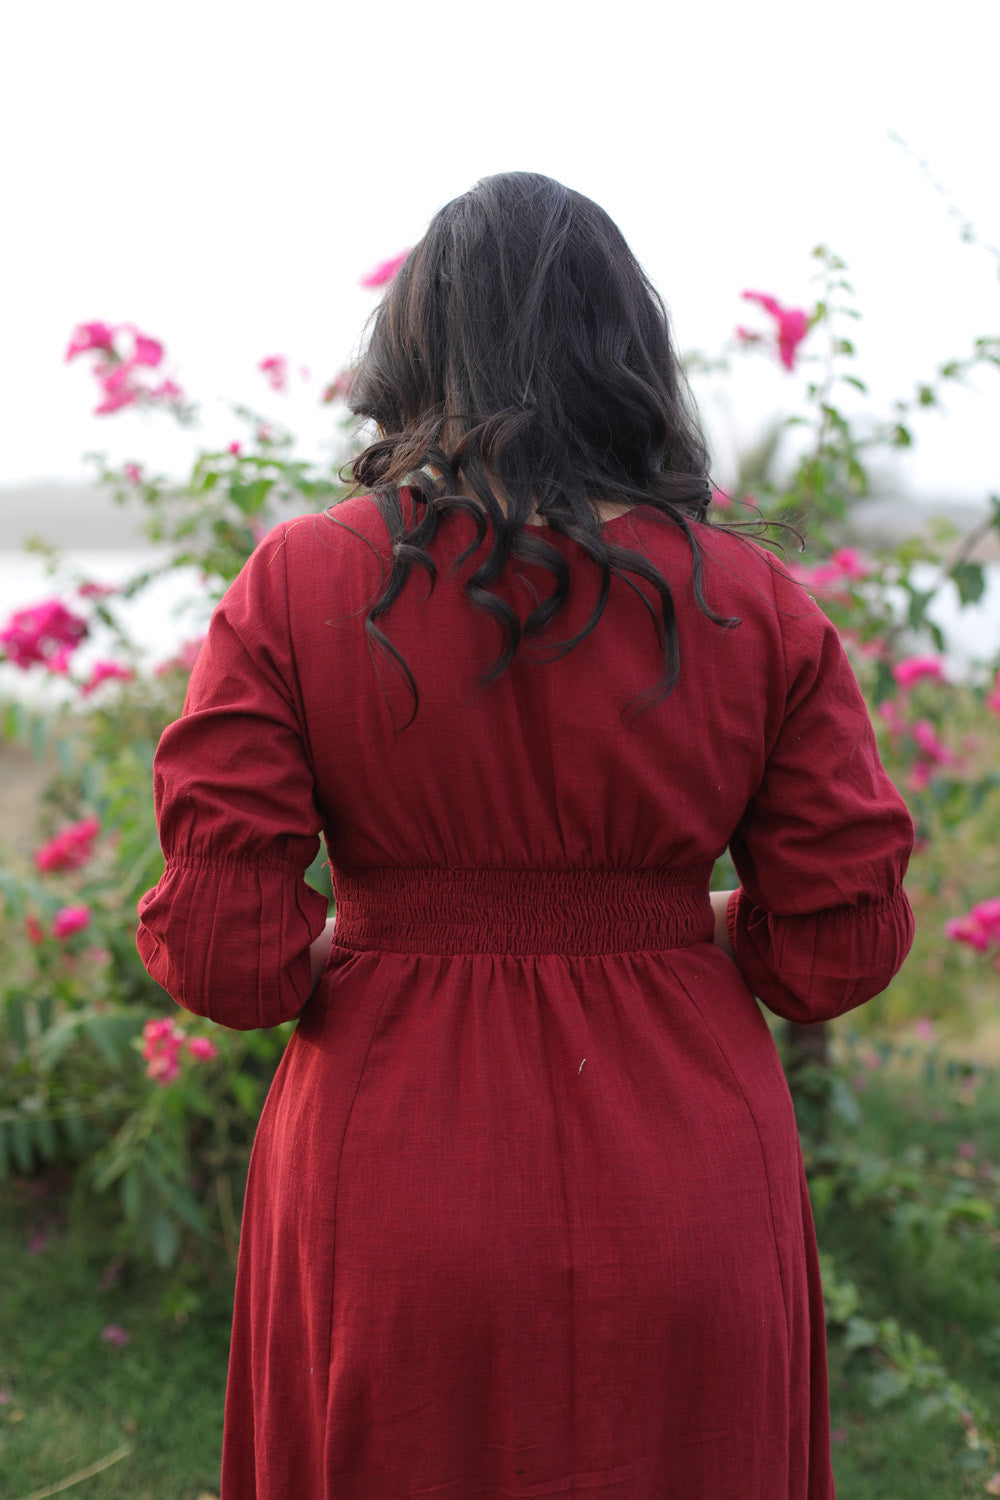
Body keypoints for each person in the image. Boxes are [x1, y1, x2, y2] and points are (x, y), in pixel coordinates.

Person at [136, 172, 915, 1499]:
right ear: (632, 360)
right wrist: (679, 924)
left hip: (392, 1178)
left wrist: (380, 932)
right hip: (692, 1181)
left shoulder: (304, 581)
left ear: (416, 349)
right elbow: (836, 946)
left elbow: (227, 957)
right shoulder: (757, 606)